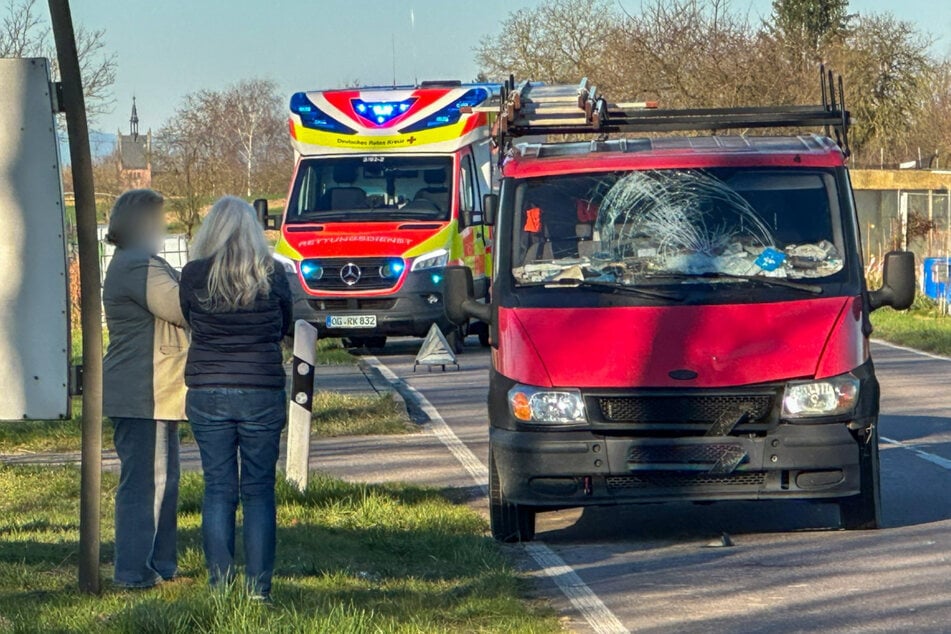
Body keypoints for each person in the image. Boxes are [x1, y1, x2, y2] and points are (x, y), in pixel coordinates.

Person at [179, 196, 292, 601]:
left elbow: (190, 320)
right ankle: (259, 590)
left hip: (208, 390)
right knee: (259, 491)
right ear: (252, 232)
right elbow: (285, 324)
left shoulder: (193, 275)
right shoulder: (272, 274)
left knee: (218, 489)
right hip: (261, 388)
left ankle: (221, 588)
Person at [102, 189, 188, 589]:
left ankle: (158, 565)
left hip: (153, 390)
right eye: (157, 218)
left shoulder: (140, 262)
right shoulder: (139, 265)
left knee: (162, 480)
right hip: (144, 391)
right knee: (147, 483)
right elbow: (182, 307)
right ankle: (135, 571)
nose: (163, 225)